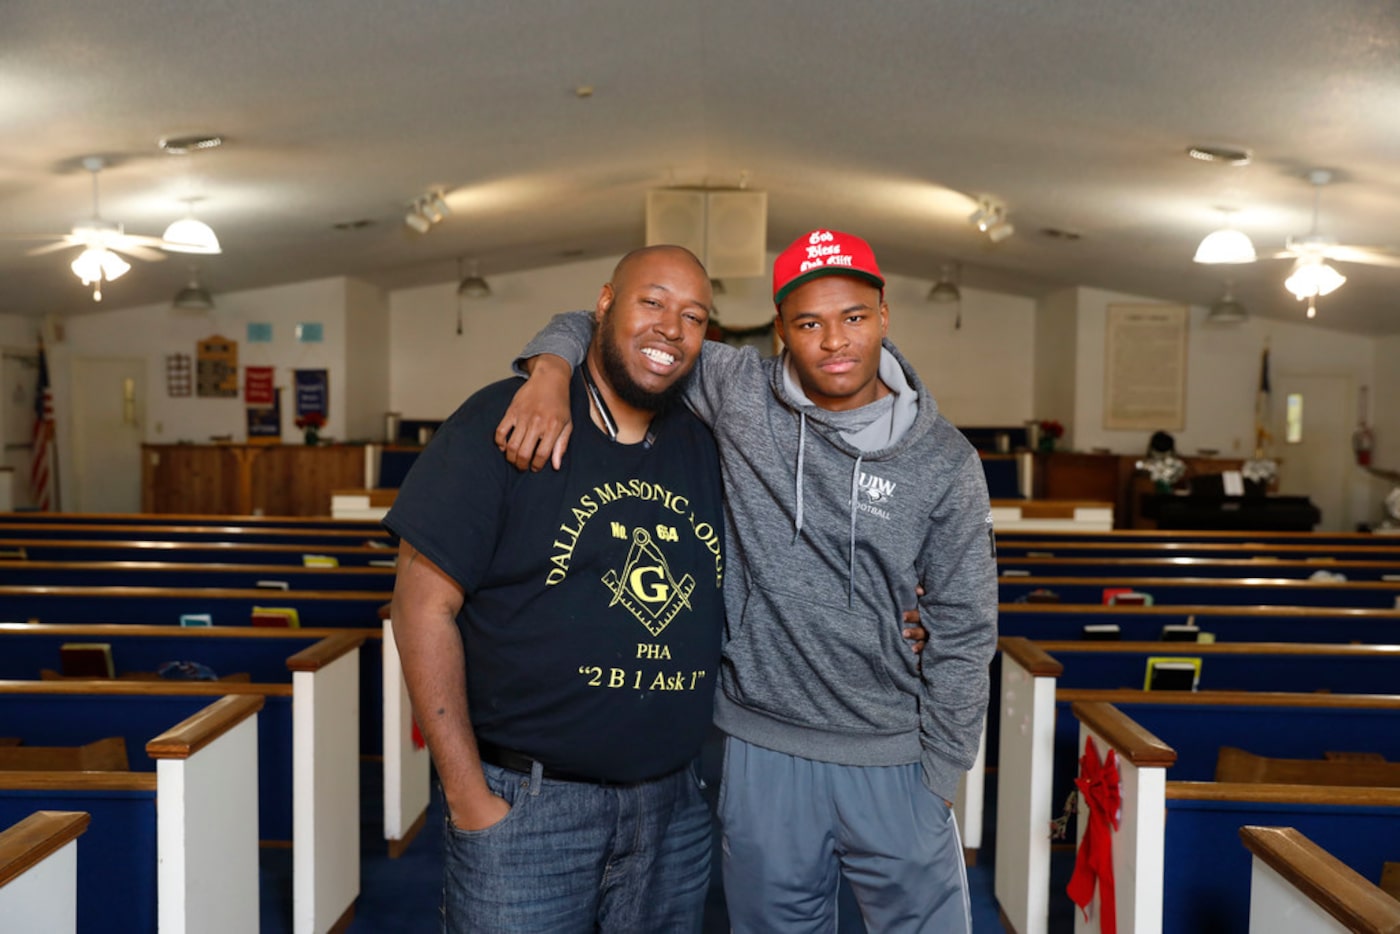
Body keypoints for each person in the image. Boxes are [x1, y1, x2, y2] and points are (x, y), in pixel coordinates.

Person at [500, 229, 999, 932]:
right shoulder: (737, 391)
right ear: (781, 332)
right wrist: (549, 370)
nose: (834, 341)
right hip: (764, 752)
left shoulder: (944, 460)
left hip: (895, 754)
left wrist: (943, 773)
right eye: (809, 323)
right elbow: (607, 324)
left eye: (853, 317)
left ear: (883, 312)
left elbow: (966, 624)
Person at [385, 245, 729, 933]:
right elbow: (421, 606)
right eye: (651, 302)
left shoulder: (707, 444)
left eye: (692, 315)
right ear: (603, 304)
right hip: (529, 809)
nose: (671, 328)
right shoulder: (507, 421)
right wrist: (467, 798)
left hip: (673, 812)